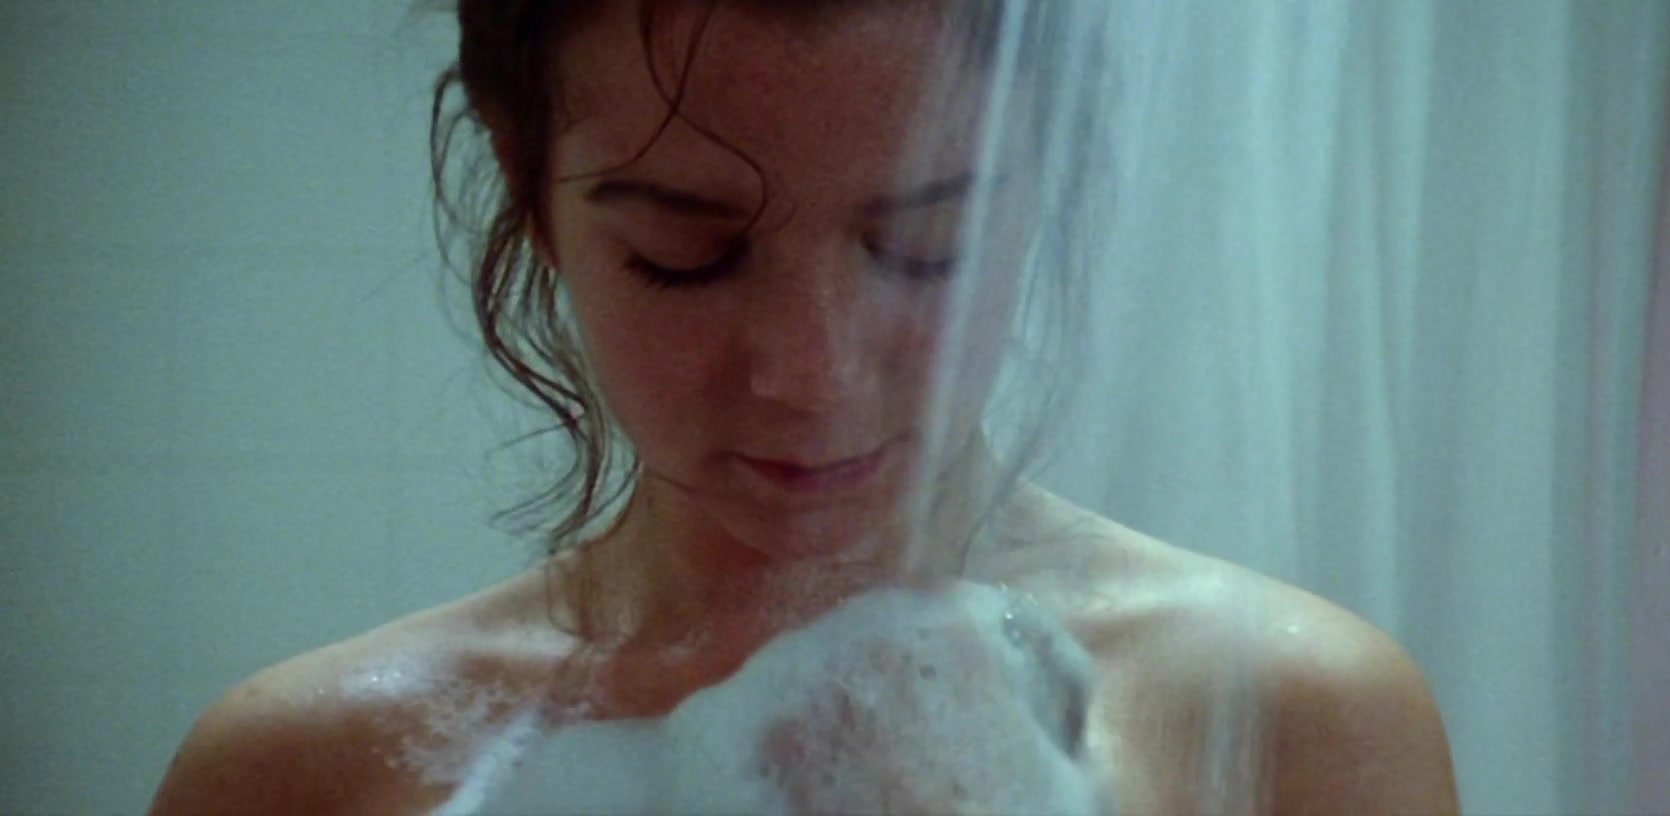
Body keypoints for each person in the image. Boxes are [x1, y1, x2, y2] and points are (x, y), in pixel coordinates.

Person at [150, 1, 1458, 812]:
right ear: (529, 185)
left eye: (929, 247)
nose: (815, 373)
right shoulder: (303, 774)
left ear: (1048, 180)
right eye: (686, 256)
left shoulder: (1296, 726)